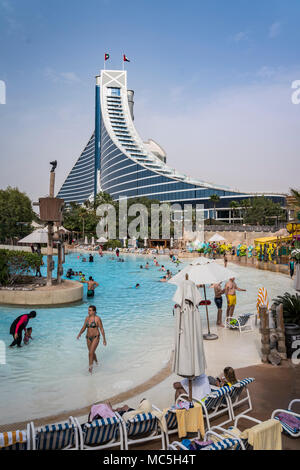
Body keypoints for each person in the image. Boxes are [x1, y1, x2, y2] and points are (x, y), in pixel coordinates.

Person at [77, 305, 107, 374]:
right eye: (88, 310)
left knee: (90, 353)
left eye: (90, 310)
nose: (88, 312)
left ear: (94, 311)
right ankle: (96, 363)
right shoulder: (87, 318)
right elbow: (84, 327)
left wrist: (104, 339)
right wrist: (79, 334)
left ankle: (90, 370)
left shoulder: (97, 319)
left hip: (96, 337)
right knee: (92, 352)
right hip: (88, 338)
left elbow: (101, 329)